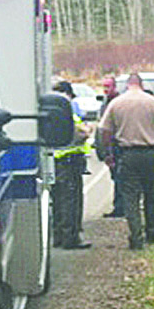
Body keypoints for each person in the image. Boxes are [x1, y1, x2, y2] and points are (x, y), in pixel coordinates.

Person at [97, 73, 154, 250]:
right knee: (152, 194)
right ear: (141, 84)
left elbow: (104, 131)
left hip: (128, 155)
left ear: (127, 85)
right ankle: (153, 233)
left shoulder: (116, 103)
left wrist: (108, 154)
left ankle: (136, 237)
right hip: (151, 154)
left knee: (130, 197)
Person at [51, 79, 91, 249]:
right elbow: (80, 133)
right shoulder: (66, 111)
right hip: (70, 161)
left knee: (58, 200)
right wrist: (88, 130)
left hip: (56, 161)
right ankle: (71, 238)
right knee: (71, 201)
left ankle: (58, 236)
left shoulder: (50, 111)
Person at [95, 75, 124, 218]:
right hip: (109, 147)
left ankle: (121, 207)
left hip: (118, 146)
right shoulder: (105, 103)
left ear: (115, 87)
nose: (105, 90)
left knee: (120, 178)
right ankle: (119, 206)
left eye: (108, 86)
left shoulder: (119, 103)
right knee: (115, 177)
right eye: (104, 87)